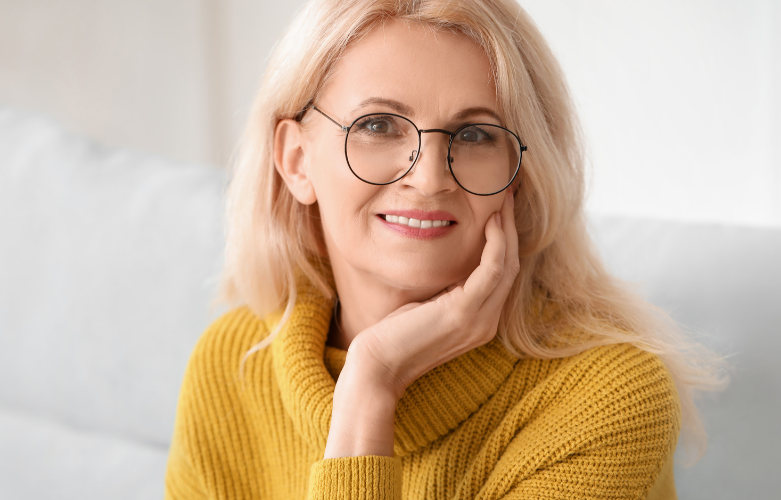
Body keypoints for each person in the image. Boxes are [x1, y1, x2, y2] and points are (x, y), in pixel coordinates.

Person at [165, 0, 728, 498]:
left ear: (520, 174)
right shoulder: (233, 365)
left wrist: (371, 385)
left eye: (475, 135)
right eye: (379, 125)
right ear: (295, 160)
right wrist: (370, 386)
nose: (430, 178)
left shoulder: (610, 397)